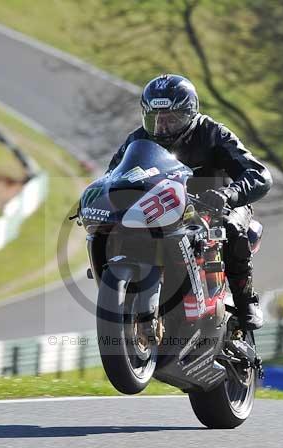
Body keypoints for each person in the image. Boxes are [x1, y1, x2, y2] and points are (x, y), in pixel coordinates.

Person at [107, 74, 272, 329]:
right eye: (156, 119)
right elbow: (113, 177)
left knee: (231, 228)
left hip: (220, 204)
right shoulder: (138, 140)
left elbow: (259, 174)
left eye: (171, 119)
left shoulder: (213, 133)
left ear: (189, 114)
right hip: (166, 209)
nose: (162, 127)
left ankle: (245, 300)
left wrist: (229, 194)